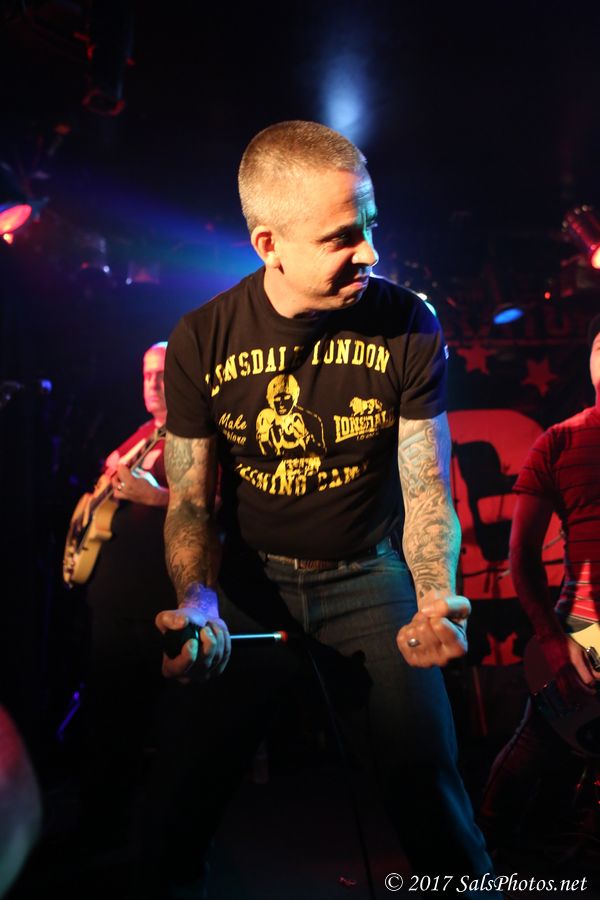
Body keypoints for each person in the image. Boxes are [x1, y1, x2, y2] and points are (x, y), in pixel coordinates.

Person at [147, 121, 497, 899]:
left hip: (369, 579)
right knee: (182, 797)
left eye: (370, 225)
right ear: (268, 244)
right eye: (343, 237)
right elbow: (193, 502)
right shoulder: (201, 338)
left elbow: (425, 485)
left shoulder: (408, 323)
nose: (370, 252)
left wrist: (435, 596)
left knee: (429, 788)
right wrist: (197, 601)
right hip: (251, 584)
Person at [479, 313, 600, 851]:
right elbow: (522, 555)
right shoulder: (559, 442)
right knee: (525, 766)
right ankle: (472, 870)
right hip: (585, 639)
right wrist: (552, 639)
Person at [77, 341, 176, 862]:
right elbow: (109, 477)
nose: (153, 384)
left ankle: (146, 846)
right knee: (108, 722)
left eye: (162, 374)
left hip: (151, 604)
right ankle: (102, 834)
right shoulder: (144, 433)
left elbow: (214, 508)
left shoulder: (194, 436)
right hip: (112, 601)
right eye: (146, 374)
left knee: (147, 725)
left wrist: (152, 496)